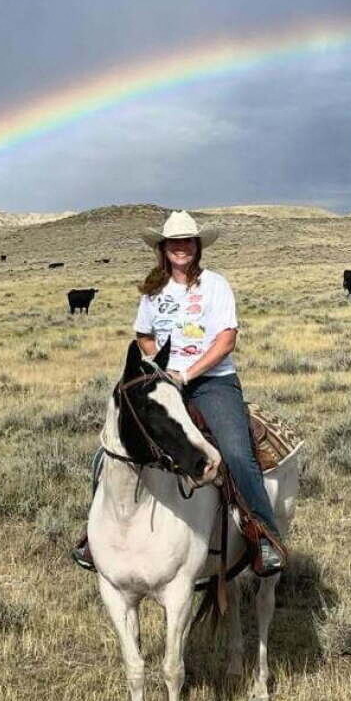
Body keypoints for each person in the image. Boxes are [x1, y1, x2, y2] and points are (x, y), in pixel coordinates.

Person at [72, 210, 286, 576]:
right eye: (174, 243)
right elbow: (142, 334)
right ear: (164, 248)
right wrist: (159, 368)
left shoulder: (215, 285)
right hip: (163, 382)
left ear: (197, 247)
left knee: (235, 450)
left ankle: (262, 535)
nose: (181, 248)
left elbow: (226, 339)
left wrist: (186, 374)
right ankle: (95, 538)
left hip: (212, 382)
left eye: (188, 241)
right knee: (112, 449)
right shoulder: (154, 290)